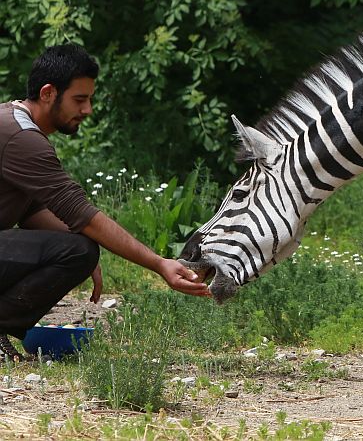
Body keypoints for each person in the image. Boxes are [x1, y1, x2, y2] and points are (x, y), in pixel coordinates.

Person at [0, 44, 209, 361]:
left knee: (79, 246)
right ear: (47, 93)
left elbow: (32, 212)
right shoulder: (22, 139)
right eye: (79, 99)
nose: (87, 110)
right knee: (79, 248)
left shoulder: (12, 123)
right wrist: (159, 263)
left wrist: (79, 242)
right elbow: (84, 216)